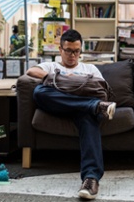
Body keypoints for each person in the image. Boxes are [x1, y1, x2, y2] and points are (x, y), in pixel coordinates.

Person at [25, 29, 116, 200]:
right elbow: (31, 72)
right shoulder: (52, 66)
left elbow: (101, 90)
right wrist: (63, 79)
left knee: (88, 118)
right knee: (39, 92)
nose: (72, 55)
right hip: (60, 107)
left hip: (83, 111)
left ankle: (91, 179)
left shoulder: (90, 68)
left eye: (76, 51)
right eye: (68, 51)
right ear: (60, 50)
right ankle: (95, 107)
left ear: (80, 50)